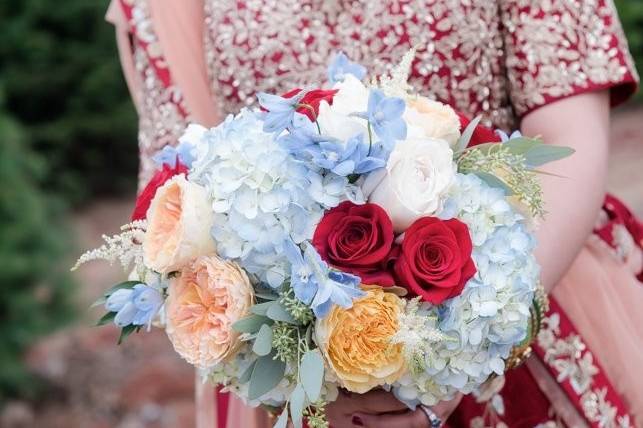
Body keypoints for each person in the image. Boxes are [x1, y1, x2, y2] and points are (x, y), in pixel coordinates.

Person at [107, 1, 643, 427]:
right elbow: (173, 204)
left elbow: (570, 142)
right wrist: (299, 383)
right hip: (293, 370)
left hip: (521, 294)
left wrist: (472, 347)